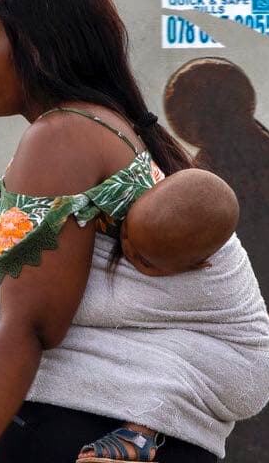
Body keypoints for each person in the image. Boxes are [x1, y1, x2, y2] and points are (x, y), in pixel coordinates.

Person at [0, 0, 269, 463]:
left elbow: (32, 325)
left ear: (38, 46)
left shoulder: (62, 136)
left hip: (75, 432)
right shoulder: (109, 130)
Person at [76, 168, 241, 461]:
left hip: (198, 362)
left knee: (171, 373)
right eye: (126, 234)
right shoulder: (130, 194)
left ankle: (137, 437)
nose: (127, 250)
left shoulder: (201, 284)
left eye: (144, 261)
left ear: (196, 266)